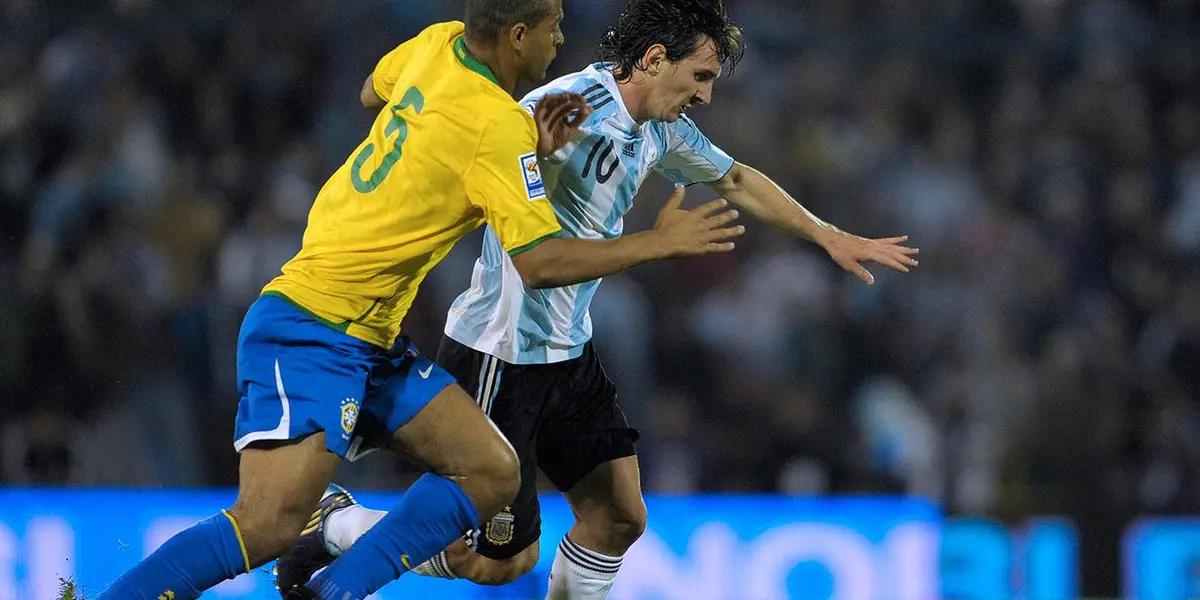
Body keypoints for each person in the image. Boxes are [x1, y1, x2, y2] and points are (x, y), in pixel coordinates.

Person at [97, 1, 746, 598]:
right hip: (311, 325)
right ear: (519, 35)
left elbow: (370, 90)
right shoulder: (498, 127)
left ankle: (333, 587)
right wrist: (657, 243)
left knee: (492, 471)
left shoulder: (438, 45)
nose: (560, 42)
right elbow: (542, 265)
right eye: (553, 28)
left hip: (372, 338)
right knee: (267, 526)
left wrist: (444, 156)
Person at [273, 0, 921, 599]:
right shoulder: (572, 106)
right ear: (653, 60)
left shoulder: (662, 133)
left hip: (568, 353)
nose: (706, 93)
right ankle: (338, 525)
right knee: (496, 561)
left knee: (617, 517)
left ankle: (343, 527)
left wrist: (828, 235)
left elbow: (736, 179)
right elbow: (491, 143)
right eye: (698, 75)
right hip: (501, 353)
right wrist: (532, 155)